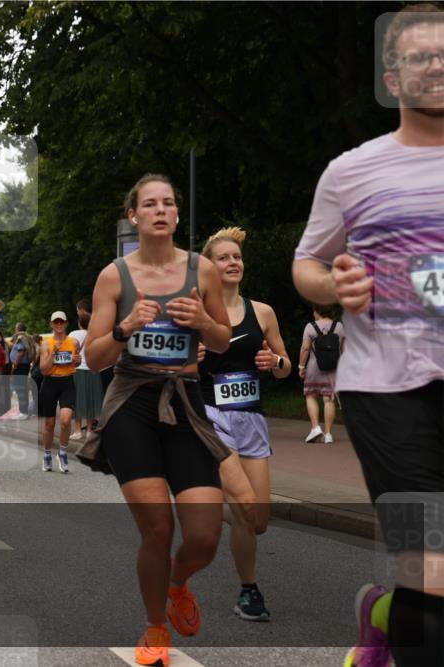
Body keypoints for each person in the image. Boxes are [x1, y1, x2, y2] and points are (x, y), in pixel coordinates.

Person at [293, 7, 444, 665]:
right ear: (393, 77)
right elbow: (306, 262)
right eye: (420, 56)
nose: (436, 65)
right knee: (429, 567)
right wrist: (334, 286)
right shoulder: (352, 170)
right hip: (387, 390)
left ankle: (382, 614)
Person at [81, 174, 232, 666]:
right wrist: (127, 326)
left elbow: (224, 341)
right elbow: (96, 357)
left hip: (185, 400)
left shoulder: (203, 271)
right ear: (135, 216)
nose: (160, 210)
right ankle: (154, 628)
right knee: (158, 530)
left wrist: (204, 323)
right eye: (150, 204)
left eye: (168, 203)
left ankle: (178, 582)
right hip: (133, 403)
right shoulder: (114, 276)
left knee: (206, 536)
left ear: (176, 215)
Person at [198, 226, 293, 623]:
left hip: (252, 417)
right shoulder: (197, 311)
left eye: (237, 257)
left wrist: (276, 364)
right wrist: (192, 358)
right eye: (224, 257)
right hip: (211, 416)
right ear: (209, 266)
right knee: (244, 505)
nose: (233, 262)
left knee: (258, 522)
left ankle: (207, 500)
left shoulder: (263, 312)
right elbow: (167, 368)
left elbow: (289, 368)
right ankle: (249, 590)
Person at [39, 311, 81, 472]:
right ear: (51, 324)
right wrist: (53, 353)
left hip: (67, 382)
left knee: (66, 419)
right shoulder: (46, 344)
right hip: (50, 383)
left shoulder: (74, 342)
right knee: (49, 424)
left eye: (61, 322)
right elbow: (43, 369)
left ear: (65, 324)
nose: (58, 324)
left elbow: (75, 362)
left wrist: (78, 361)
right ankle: (47, 455)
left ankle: (62, 453)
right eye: (55, 322)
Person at [298, 303, 345, 443]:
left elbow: (305, 349)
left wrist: (301, 366)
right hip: (333, 368)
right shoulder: (339, 326)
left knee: (310, 395)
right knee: (328, 399)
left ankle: (315, 428)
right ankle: (328, 434)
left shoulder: (310, 327)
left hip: (314, 367)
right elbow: (344, 350)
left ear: (317, 311)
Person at [68, 299, 103, 441]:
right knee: (90, 401)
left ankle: (77, 430)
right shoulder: (96, 335)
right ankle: (89, 430)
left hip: (77, 371)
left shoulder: (73, 334)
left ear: (79, 323)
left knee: (77, 401)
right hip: (93, 371)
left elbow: (67, 353)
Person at [8, 322, 34, 419]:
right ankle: (23, 411)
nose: (15, 330)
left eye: (15, 328)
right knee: (21, 388)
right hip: (23, 366)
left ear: (18, 329)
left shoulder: (21, 338)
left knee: (21, 389)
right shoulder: (25, 337)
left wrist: (15, 365)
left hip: (21, 366)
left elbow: (21, 352)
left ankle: (23, 412)